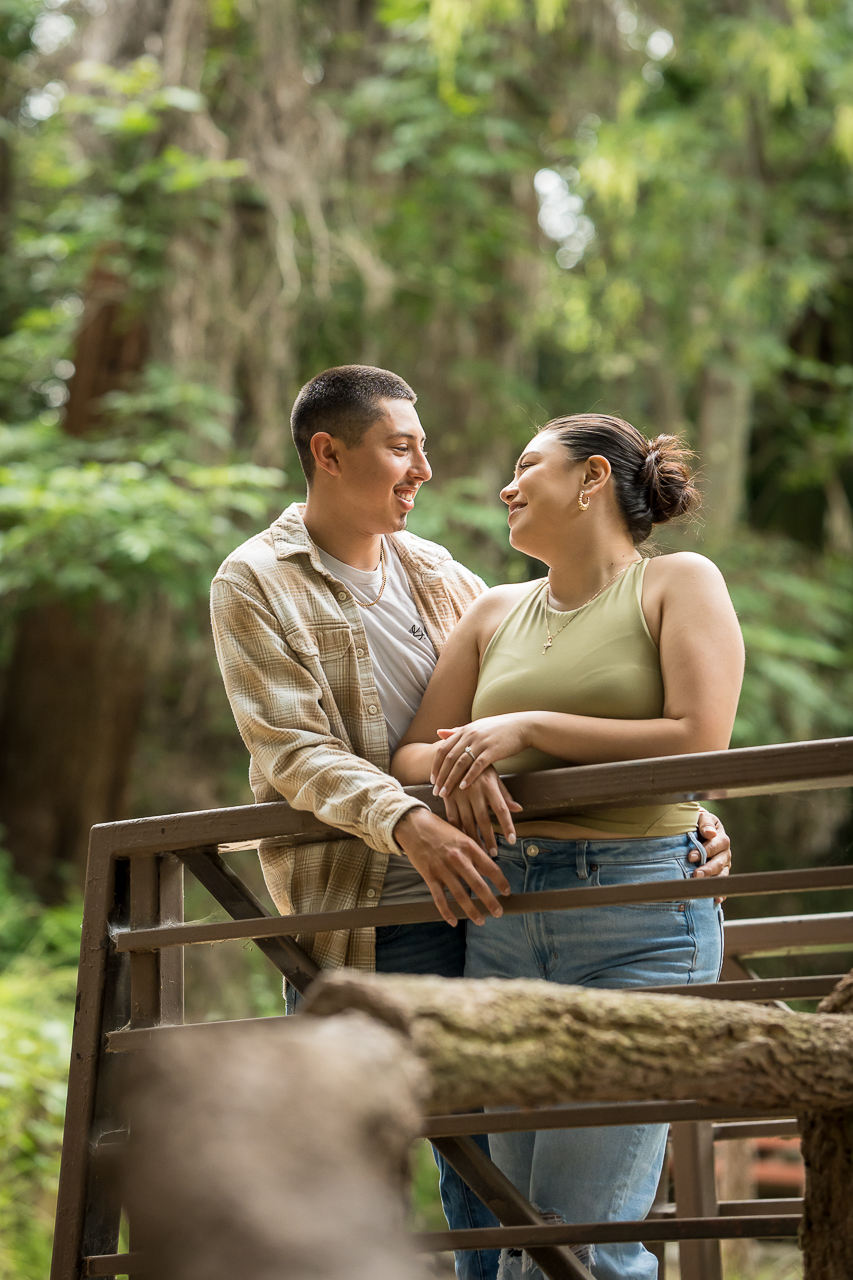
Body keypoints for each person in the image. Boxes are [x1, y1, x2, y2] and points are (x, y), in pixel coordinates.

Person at [210, 371, 734, 1280]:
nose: (427, 469)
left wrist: (685, 806)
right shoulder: (257, 581)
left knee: (516, 1213)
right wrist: (410, 821)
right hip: (374, 908)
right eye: (401, 446)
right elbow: (299, 751)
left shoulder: (441, 573)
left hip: (497, 901)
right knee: (375, 1178)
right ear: (329, 454)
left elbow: (577, 712)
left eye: (423, 445)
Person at [391, 414, 745, 1280]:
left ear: (591, 479)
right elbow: (407, 754)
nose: (506, 488)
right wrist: (466, 760)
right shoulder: (492, 608)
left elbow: (700, 738)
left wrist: (524, 726)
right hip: (503, 915)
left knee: (579, 1242)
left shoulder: (676, 582)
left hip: (637, 916)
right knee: (518, 1234)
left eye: (526, 466)